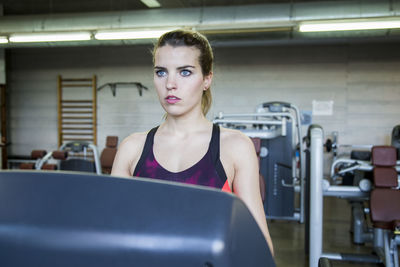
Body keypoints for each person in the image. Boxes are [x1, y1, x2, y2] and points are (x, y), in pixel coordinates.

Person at [111, 29, 274, 254]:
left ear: (207, 79)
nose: (170, 84)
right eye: (161, 72)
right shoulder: (132, 148)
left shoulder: (234, 147)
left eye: (185, 72)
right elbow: (111, 234)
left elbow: (261, 246)